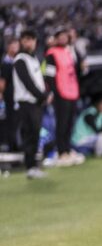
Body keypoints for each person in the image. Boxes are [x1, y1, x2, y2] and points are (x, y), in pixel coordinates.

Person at [11, 31, 49, 179]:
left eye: (31, 39)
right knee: (29, 135)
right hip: (26, 103)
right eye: (26, 40)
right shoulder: (20, 59)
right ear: (21, 41)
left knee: (35, 134)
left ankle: (34, 165)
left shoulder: (34, 59)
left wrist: (43, 96)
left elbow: (39, 81)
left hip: (35, 103)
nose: (29, 43)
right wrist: (43, 96)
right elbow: (28, 83)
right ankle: (30, 167)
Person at [44, 28, 85, 167]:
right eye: (60, 37)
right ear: (55, 39)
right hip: (60, 93)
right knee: (61, 124)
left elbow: (76, 70)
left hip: (72, 92)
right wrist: (53, 92)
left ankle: (67, 149)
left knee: (69, 123)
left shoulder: (68, 52)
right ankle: (61, 152)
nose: (63, 39)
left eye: (65, 36)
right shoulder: (51, 53)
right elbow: (49, 75)